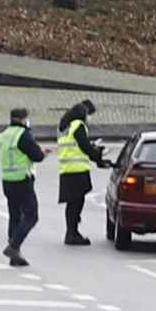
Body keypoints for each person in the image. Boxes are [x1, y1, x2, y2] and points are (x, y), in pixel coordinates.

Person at [56, 99, 111, 245]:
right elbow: (84, 147)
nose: (89, 118)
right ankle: (72, 234)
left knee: (72, 203)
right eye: (88, 115)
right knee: (76, 203)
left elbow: (75, 146)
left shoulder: (64, 127)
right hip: (77, 169)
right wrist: (98, 155)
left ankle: (71, 231)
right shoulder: (78, 126)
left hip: (66, 169)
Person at [0, 107, 46, 267]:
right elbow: (37, 156)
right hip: (23, 180)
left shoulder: (4, 135)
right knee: (31, 215)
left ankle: (14, 257)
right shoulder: (23, 135)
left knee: (14, 216)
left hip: (7, 180)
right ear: (24, 119)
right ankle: (14, 246)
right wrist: (43, 153)